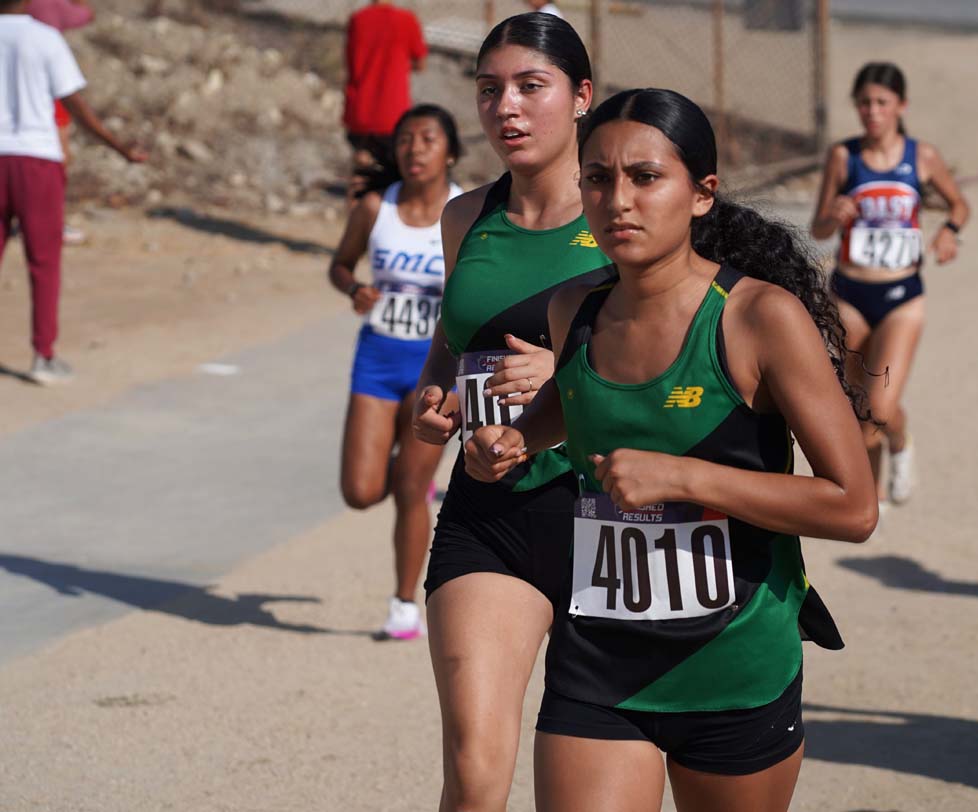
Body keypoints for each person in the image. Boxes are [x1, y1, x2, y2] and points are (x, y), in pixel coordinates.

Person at [463, 87, 877, 812]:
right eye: (597, 178)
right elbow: (576, 401)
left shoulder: (757, 320)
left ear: (701, 194)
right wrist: (514, 440)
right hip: (598, 662)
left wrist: (684, 477)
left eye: (645, 177)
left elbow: (853, 505)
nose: (617, 199)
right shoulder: (574, 309)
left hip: (735, 665)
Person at [409, 13, 609, 810]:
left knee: (586, 793)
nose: (508, 110)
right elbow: (453, 338)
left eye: (532, 87)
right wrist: (437, 392)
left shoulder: (623, 217)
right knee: (475, 768)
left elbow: (685, 351)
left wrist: (567, 369)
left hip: (611, 515)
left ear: (582, 96)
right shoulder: (466, 217)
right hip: (489, 507)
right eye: (491, 91)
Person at [328, 104, 464, 640]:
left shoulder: (466, 211)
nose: (414, 149)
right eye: (405, 139)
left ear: (450, 152)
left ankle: (405, 604)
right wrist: (353, 287)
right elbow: (339, 264)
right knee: (360, 492)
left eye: (428, 139)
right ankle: (414, 473)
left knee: (410, 488)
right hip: (379, 359)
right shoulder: (372, 207)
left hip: (437, 365)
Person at [811, 61, 970, 506]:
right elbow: (820, 228)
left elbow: (959, 205)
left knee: (878, 410)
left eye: (881, 103)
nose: (872, 112)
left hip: (902, 298)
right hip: (849, 296)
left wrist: (949, 233)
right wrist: (833, 215)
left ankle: (897, 448)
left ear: (901, 106)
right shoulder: (844, 157)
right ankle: (875, 494)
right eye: (864, 103)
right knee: (860, 404)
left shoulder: (922, 157)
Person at [0, 0, 145, 385]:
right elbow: (74, 103)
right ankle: (43, 355)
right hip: (36, 159)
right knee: (44, 262)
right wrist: (119, 147)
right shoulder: (44, 38)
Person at [27, 0, 94, 245]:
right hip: (45, 88)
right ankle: (50, 221)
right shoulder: (49, 11)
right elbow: (85, 14)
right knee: (58, 158)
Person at [343, 0, 427, 193]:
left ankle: (357, 220)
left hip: (360, 111)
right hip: (393, 114)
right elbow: (420, 63)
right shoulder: (406, 20)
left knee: (360, 175)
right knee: (394, 181)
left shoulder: (358, 19)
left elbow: (351, 64)